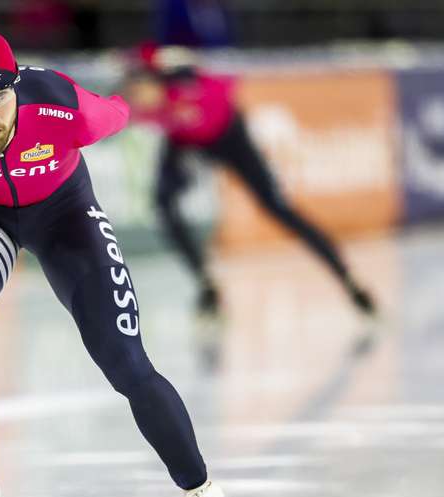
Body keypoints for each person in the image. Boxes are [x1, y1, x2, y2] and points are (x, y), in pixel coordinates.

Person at [0, 27, 251, 497]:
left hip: (63, 213)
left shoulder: (63, 108)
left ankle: (201, 491)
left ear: (17, 86)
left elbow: (121, 111)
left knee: (126, 363)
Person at [122, 44, 376, 317]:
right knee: (163, 205)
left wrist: (187, 68)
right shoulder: (139, 103)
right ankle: (207, 286)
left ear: (156, 81)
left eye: (141, 92)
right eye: (134, 95)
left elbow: (228, 82)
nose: (140, 101)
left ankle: (349, 281)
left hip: (229, 135)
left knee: (278, 208)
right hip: (185, 141)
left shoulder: (187, 82)